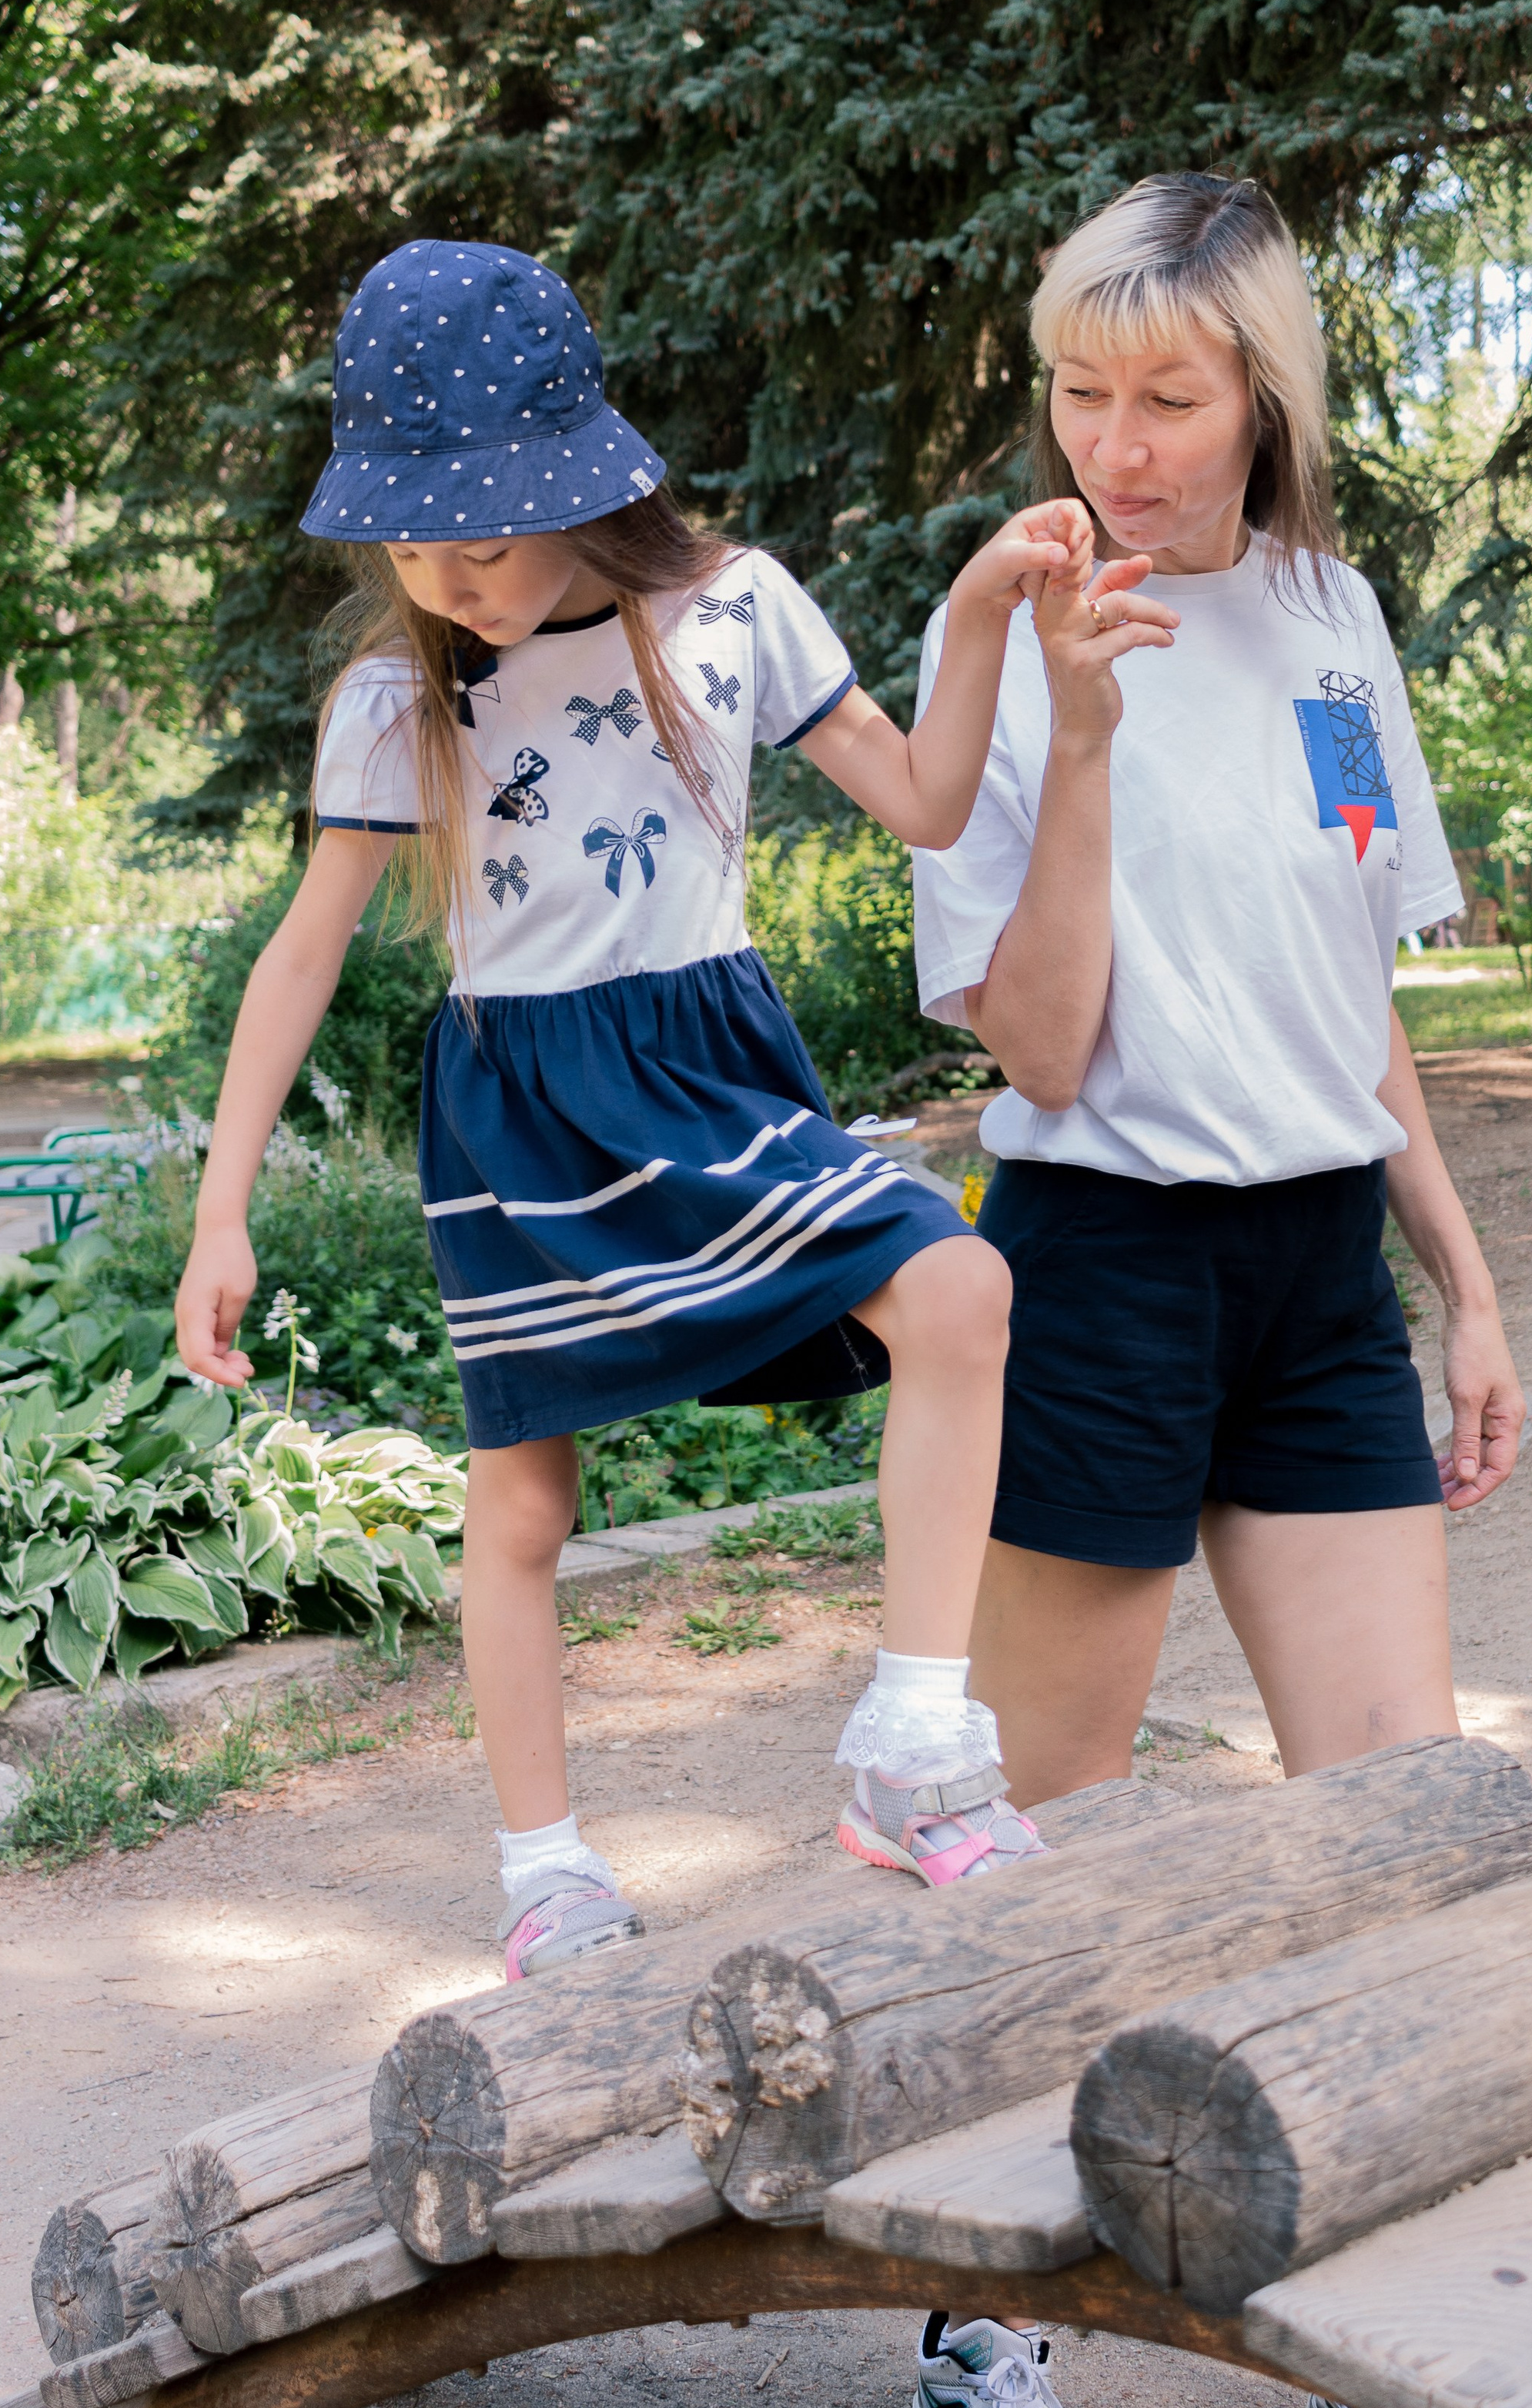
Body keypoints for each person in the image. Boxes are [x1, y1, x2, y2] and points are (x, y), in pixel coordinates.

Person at [172, 238, 1172, 1984]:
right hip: (519, 1108)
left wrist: (976, 617)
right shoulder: (398, 698)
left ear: (572, 485)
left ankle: (915, 1747)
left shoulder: (729, 613)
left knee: (958, 1288)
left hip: (705, 1062)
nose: (444, 572)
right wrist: (222, 1205)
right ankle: (545, 1869)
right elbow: (302, 956)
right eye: (408, 539)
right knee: (521, 1511)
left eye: (476, 534)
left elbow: (931, 806)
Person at [900, 176, 1532, 2408]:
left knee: (1410, 1829)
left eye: (1167, 396)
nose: (1118, 443)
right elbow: (1048, 1050)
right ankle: (979, 2353)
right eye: (1083, 392)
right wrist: (1075, 738)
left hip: (1311, 1272)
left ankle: (1382, 2384)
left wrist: (1460, 1276)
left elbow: (1350, 997)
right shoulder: (1004, 623)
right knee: (1047, 1850)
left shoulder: (1335, 619)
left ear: (1262, 394)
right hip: (1087, 1255)